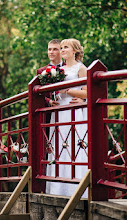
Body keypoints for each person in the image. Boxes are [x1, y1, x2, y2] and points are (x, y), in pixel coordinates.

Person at [45, 38, 88, 197]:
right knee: (57, 147)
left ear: (74, 51)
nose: (62, 50)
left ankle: (75, 188)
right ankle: (58, 188)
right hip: (59, 112)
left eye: (65, 47)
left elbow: (87, 92)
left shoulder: (81, 68)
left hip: (72, 111)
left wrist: (68, 91)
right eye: (61, 47)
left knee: (73, 146)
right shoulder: (59, 69)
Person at [36, 39, 65, 107]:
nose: (51, 52)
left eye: (55, 49)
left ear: (61, 51)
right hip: (49, 111)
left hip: (67, 105)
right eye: (49, 49)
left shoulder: (69, 68)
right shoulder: (41, 71)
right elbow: (37, 93)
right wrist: (49, 101)